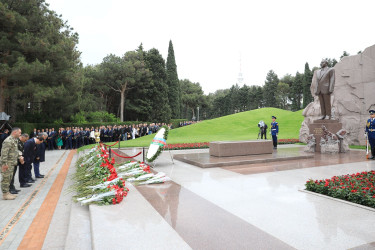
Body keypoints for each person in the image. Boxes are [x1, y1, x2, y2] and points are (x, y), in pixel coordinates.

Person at [0, 127, 24, 200]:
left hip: (12, 163)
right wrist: (4, 164)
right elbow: (4, 153)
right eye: (19, 133)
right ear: (14, 132)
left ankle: (7, 192)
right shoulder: (8, 141)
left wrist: (20, 156)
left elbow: (15, 150)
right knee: (6, 179)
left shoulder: (14, 140)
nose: (20, 134)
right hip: (7, 164)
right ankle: (5, 194)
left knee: (9, 178)